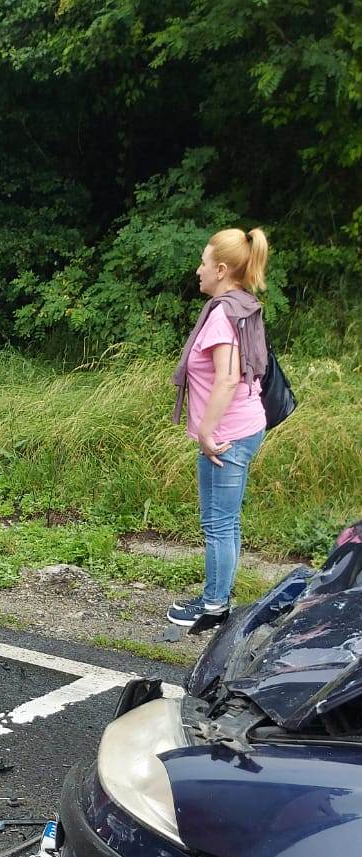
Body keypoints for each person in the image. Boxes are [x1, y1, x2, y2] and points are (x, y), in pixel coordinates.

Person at [167, 228, 270, 627]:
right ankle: (217, 597)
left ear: (222, 269)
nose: (198, 270)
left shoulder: (224, 314)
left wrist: (207, 433)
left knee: (219, 522)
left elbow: (227, 378)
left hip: (227, 435)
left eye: (204, 263)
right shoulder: (240, 305)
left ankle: (214, 605)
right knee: (223, 520)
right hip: (240, 429)